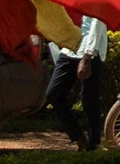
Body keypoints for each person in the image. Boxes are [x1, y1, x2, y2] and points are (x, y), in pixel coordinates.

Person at [43, 13, 111, 148]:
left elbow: (97, 23)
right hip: (68, 50)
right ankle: (78, 137)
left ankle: (93, 144)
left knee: (89, 100)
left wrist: (87, 56)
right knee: (53, 94)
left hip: (90, 52)